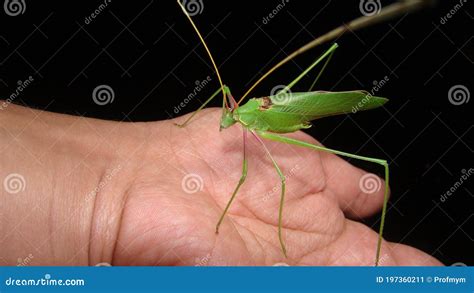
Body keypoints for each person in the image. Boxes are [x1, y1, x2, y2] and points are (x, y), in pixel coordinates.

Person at [0, 103, 441, 266]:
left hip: (280, 117)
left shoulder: (255, 127)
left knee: (368, 164)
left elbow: (277, 181)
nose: (226, 121)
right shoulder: (233, 117)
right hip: (263, 114)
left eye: (229, 115)